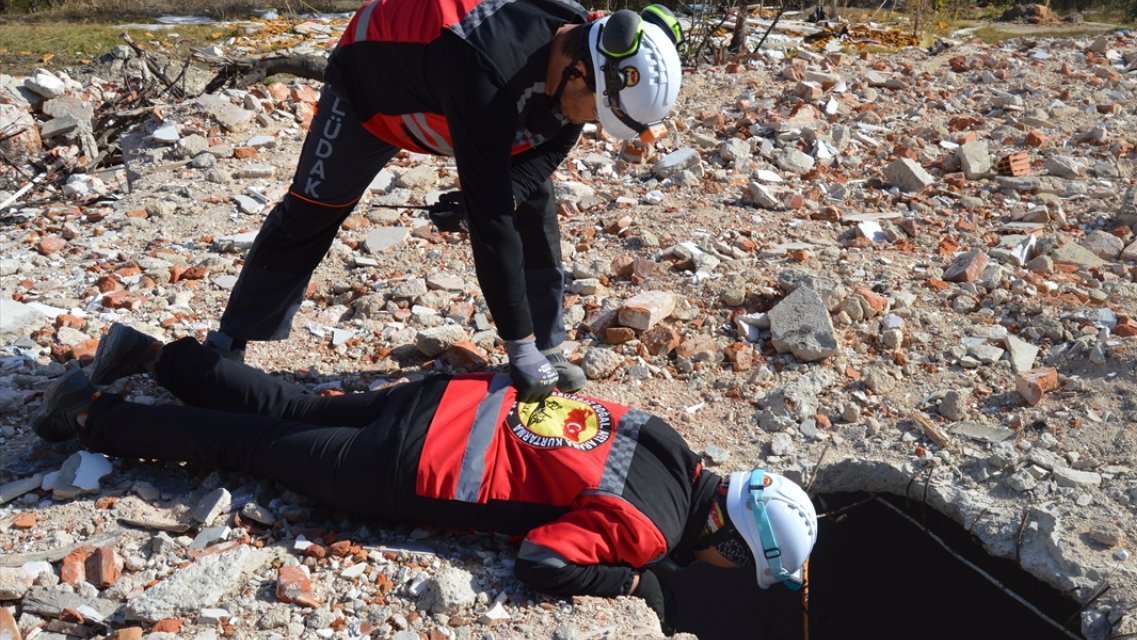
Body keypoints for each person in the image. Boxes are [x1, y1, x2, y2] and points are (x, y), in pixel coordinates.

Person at [30, 324, 818, 631]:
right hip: (415, 470)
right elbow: (545, 561)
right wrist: (634, 586)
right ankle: (94, 413)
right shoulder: (645, 533)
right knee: (252, 447)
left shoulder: (672, 442)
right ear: (728, 535)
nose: (718, 568)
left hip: (448, 404)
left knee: (300, 408)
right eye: (735, 562)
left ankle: (154, 354)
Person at [206, 0, 685, 404]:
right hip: (371, 90)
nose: (592, 124)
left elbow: (554, 142)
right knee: (313, 210)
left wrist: (508, 189)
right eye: (596, 111)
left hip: (458, 90)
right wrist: (516, 353)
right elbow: (491, 219)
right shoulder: (488, 70)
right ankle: (228, 343)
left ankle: (548, 344)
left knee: (532, 204)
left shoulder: (586, 46)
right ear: (578, 72)